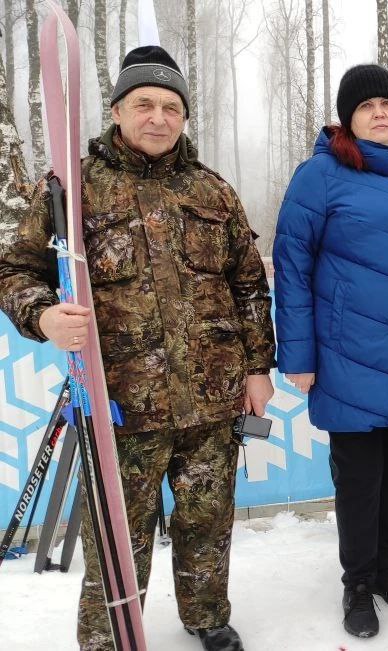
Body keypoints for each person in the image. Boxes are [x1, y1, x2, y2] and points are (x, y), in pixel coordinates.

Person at [0, 46, 274, 651]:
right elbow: (14, 271)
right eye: (144, 104)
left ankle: (207, 616)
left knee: (206, 521)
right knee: (119, 536)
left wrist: (259, 368)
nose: (158, 117)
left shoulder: (213, 192)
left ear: (184, 117)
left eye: (171, 106)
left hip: (212, 400)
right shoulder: (70, 190)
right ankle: (107, 637)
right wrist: (43, 315)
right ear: (118, 111)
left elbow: (249, 287)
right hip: (121, 404)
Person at [272, 63, 388, 638]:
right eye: (367, 105)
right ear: (348, 117)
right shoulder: (319, 176)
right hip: (347, 354)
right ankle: (357, 581)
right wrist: (297, 357)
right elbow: (292, 269)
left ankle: (385, 567)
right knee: (358, 477)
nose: (380, 113)